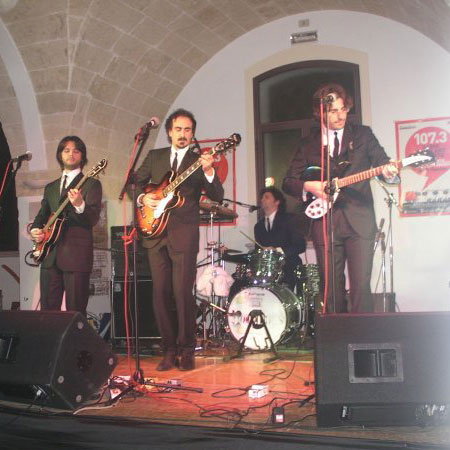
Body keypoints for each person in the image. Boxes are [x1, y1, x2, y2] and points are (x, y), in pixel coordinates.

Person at [282, 83, 398, 313]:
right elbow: (288, 182)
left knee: (360, 287)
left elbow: (383, 164)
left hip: (359, 219)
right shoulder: (309, 144)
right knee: (330, 289)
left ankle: (362, 334)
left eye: (343, 109)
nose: (340, 115)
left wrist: (389, 172)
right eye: (333, 110)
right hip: (325, 222)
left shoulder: (363, 135)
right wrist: (310, 186)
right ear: (320, 113)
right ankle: (336, 334)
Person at [134, 108, 224, 371]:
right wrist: (144, 198)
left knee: (182, 293)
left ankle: (187, 350)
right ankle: (168, 350)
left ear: (192, 133)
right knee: (160, 293)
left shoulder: (198, 160)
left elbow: (217, 195)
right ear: (169, 132)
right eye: (178, 129)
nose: (182, 134)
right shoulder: (155, 156)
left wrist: (209, 171)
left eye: (187, 130)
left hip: (183, 233)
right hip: (154, 231)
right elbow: (135, 183)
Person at [30, 136, 102, 316]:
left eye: (76, 151)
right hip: (49, 255)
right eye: (66, 150)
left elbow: (92, 219)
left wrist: (79, 204)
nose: (71, 154)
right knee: (48, 312)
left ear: (82, 156)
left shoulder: (91, 184)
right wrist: (35, 230)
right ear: (60, 155)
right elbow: (42, 214)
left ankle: (75, 337)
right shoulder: (51, 187)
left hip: (76, 256)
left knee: (75, 312)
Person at [253, 187, 306, 291]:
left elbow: (300, 246)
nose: (262, 200)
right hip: (267, 270)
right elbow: (258, 250)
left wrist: (277, 251)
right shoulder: (258, 226)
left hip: (288, 266)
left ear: (277, 202)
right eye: (262, 197)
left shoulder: (290, 219)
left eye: (266, 197)